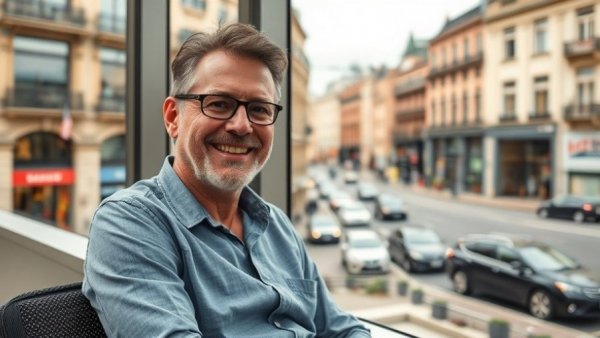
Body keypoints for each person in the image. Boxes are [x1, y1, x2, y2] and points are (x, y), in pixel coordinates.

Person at [82, 23, 370, 337]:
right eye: (219, 103)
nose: (241, 125)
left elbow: (343, 329)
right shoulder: (131, 223)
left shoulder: (279, 228)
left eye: (259, 109)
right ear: (173, 117)